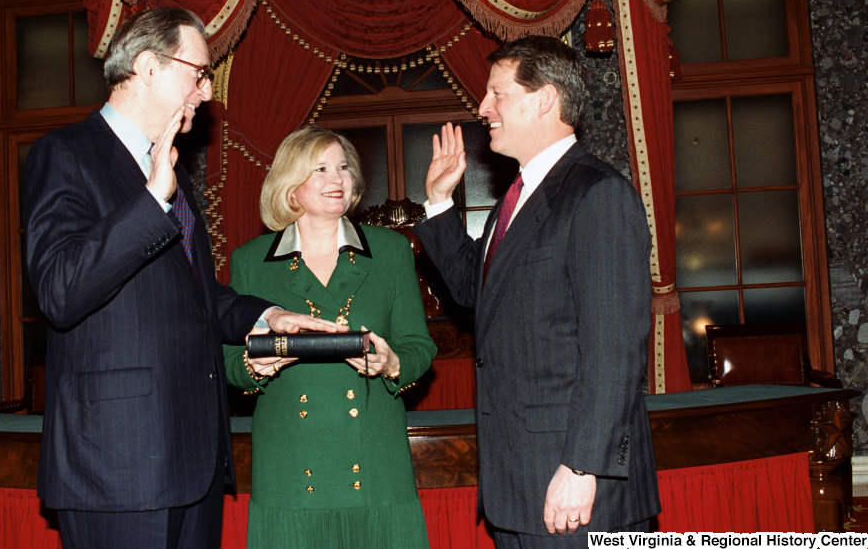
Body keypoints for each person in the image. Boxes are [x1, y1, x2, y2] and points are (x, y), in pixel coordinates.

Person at [23, 7, 339, 549]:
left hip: (193, 460)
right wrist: (150, 199)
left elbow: (196, 297)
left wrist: (266, 316)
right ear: (147, 67)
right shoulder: (66, 153)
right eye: (198, 72)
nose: (207, 91)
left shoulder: (172, 172)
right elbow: (59, 290)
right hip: (117, 468)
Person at [413, 35, 660, 547]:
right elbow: (472, 290)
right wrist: (438, 203)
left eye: (496, 94)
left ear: (544, 98)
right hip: (519, 484)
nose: (482, 109)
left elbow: (613, 351)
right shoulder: (519, 196)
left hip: (574, 488)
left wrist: (582, 467)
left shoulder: (597, 193)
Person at [223, 127, 437, 549]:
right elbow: (228, 360)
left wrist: (392, 363)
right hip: (290, 470)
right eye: (320, 169)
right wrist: (251, 366)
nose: (337, 179)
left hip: (375, 464)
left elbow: (418, 345)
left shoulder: (390, 250)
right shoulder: (250, 261)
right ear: (290, 187)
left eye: (343, 168)